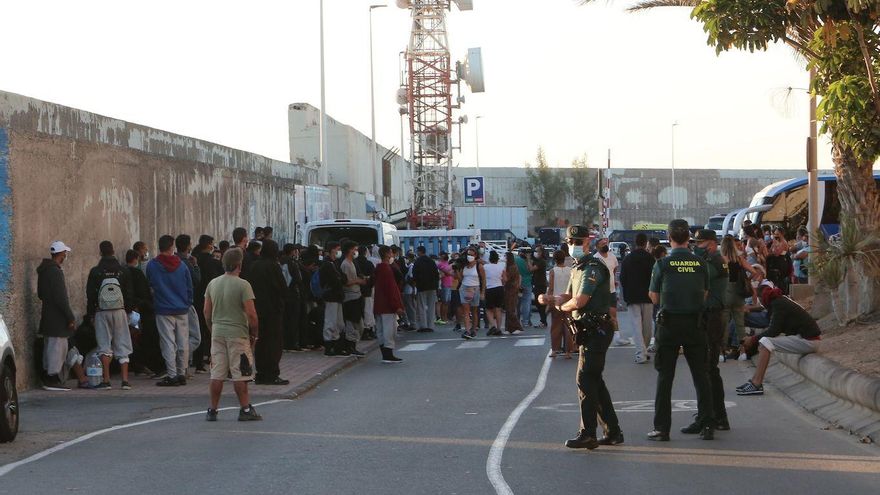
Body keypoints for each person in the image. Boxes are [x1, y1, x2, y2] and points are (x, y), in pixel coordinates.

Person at [540, 225, 622, 450]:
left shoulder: (593, 266)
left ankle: (588, 433)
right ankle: (613, 431)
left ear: (588, 242)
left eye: (579, 242)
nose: (574, 246)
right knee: (595, 380)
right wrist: (550, 298)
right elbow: (569, 295)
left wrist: (562, 306)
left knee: (585, 379)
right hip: (588, 330)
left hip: (597, 328)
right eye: (571, 242)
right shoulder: (577, 267)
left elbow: (580, 300)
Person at [647, 220, 714, 441]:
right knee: (701, 376)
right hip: (695, 324)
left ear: (669, 238)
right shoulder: (700, 263)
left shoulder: (662, 264)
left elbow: (654, 297)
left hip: (669, 325)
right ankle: (706, 424)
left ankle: (662, 428)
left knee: (665, 377)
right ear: (688, 239)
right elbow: (705, 293)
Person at [204, 247, 262, 422]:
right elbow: (252, 314)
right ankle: (245, 408)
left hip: (218, 332)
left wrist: (211, 328)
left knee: (217, 373)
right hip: (237, 332)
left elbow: (207, 311)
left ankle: (212, 409)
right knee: (240, 372)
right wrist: (255, 333)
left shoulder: (213, 283)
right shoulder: (243, 285)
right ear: (239, 264)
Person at [736, 286, 821, 396]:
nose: (760, 302)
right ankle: (754, 381)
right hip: (804, 338)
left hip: (809, 341)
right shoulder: (778, 301)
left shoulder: (778, 304)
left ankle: (756, 384)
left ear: (762, 297)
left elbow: (773, 331)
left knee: (765, 342)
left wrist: (752, 339)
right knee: (764, 340)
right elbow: (773, 326)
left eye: (759, 299)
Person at [693, 229, 731, 431]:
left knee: (708, 368)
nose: (696, 247)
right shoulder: (714, 258)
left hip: (712, 316)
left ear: (711, 244)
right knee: (708, 369)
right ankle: (711, 414)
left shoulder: (714, 260)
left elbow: (699, 280)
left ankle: (715, 416)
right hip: (711, 316)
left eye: (700, 244)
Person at [86, 241, 135, 390]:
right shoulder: (122, 271)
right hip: (120, 311)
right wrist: (128, 310)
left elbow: (90, 295)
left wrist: (91, 314)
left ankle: (106, 380)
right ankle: (125, 380)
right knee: (123, 344)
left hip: (101, 312)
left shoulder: (95, 271)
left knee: (104, 345)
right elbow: (129, 293)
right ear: (113, 251)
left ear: (100, 253)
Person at [147, 235, 193, 387]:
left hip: (163, 308)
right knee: (182, 342)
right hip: (181, 308)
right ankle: (182, 372)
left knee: (168, 342)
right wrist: (187, 302)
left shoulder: (153, 265)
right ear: (172, 246)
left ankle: (172, 374)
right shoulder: (182, 265)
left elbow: (151, 285)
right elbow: (189, 286)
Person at [247, 239, 289, 385]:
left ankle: (261, 373)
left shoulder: (254, 265)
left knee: (260, 342)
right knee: (273, 342)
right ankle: (272, 373)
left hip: (257, 308)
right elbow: (282, 288)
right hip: (273, 310)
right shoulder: (273, 266)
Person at [37, 241, 77, 390]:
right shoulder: (55, 272)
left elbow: (41, 294)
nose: (65, 255)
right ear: (60, 254)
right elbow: (61, 298)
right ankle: (52, 378)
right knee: (58, 348)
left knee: (50, 347)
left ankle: (48, 375)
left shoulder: (44, 271)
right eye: (64, 253)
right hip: (57, 319)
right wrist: (70, 317)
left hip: (48, 316)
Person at [124, 249, 164, 377]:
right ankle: (153, 367)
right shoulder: (137, 273)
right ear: (136, 258)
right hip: (142, 310)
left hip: (127, 310)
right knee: (148, 339)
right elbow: (144, 292)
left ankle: (137, 365)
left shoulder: (122, 272)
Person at [619, 233, 654, 363]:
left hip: (632, 297)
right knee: (647, 326)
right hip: (648, 296)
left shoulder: (628, 259)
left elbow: (622, 278)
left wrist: (626, 294)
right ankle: (644, 349)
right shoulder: (650, 258)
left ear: (635, 242)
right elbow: (655, 277)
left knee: (636, 326)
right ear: (646, 243)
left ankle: (641, 353)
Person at [193, 235, 223, 372]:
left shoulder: (194, 259)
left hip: (195, 298)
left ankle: (197, 361)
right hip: (210, 299)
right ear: (210, 245)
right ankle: (210, 359)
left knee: (196, 329)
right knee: (209, 330)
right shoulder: (212, 262)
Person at [595, 238, 629, 347]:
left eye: (605, 243)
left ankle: (617, 337)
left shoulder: (612, 256)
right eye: (602, 244)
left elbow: (614, 269)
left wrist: (613, 280)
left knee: (613, 314)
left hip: (611, 291)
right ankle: (600, 337)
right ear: (597, 247)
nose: (605, 245)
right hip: (600, 292)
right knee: (600, 315)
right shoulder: (595, 258)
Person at [373, 245, 405, 363]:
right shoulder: (386, 269)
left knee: (381, 330)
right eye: (391, 252)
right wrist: (397, 306)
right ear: (387, 254)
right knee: (389, 330)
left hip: (379, 304)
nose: (392, 255)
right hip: (388, 306)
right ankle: (388, 354)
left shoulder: (378, 269)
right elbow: (391, 289)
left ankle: (385, 353)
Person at [546, 249, 573, 358]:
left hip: (556, 300)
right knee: (568, 326)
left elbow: (551, 288)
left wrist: (548, 301)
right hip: (568, 300)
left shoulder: (553, 271)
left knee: (556, 326)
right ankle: (568, 351)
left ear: (555, 259)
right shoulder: (571, 270)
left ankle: (555, 350)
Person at [459, 247, 486, 339]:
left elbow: (483, 279)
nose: (469, 256)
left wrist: (482, 292)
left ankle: (473, 329)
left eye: (471, 254)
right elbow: (461, 278)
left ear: (476, 255)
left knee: (474, 310)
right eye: (468, 254)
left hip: (475, 288)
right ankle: (467, 330)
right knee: (466, 310)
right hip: (465, 287)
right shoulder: (464, 266)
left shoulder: (479, 266)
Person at [412, 246, 439, 333]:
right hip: (432, 286)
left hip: (422, 286)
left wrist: (415, 284)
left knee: (422, 306)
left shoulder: (417, 262)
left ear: (419, 252)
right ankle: (431, 325)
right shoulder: (431, 261)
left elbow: (414, 274)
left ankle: (423, 325)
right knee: (431, 306)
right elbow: (436, 274)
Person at [356, 245, 377, 340]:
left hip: (356, 290)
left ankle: (361, 330)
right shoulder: (369, 263)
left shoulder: (354, 262)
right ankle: (368, 330)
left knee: (360, 311)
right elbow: (373, 277)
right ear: (365, 252)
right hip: (367, 290)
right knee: (368, 311)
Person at [483, 250, 505, 336]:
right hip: (499, 288)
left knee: (488, 309)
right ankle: (499, 328)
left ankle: (493, 326)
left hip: (489, 288)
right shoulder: (501, 267)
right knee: (498, 309)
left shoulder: (485, 267)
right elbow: (505, 279)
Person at [503, 252, 523, 335]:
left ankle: (517, 326)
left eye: (505, 257)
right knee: (508, 309)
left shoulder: (511, 267)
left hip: (512, 289)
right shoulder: (510, 267)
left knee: (510, 309)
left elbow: (507, 279)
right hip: (510, 289)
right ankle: (508, 328)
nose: (504, 258)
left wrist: (503, 274)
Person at [515, 249, 534, 327]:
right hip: (527, 283)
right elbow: (531, 270)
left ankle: (517, 320)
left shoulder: (515, 260)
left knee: (517, 303)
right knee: (526, 303)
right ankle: (525, 321)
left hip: (517, 283)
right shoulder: (530, 261)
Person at [531, 246, 549, 328]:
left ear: (541, 253)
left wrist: (528, 259)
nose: (535, 252)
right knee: (539, 304)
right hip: (538, 284)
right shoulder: (538, 261)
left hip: (540, 285)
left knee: (540, 304)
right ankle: (543, 321)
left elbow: (531, 269)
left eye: (537, 251)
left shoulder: (541, 261)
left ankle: (543, 321)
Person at [436, 252, 453, 325]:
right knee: (444, 302)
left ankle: (445, 317)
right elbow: (446, 271)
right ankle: (443, 318)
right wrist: (452, 266)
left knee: (448, 302)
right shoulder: (439, 264)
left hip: (450, 284)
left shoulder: (447, 263)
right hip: (444, 284)